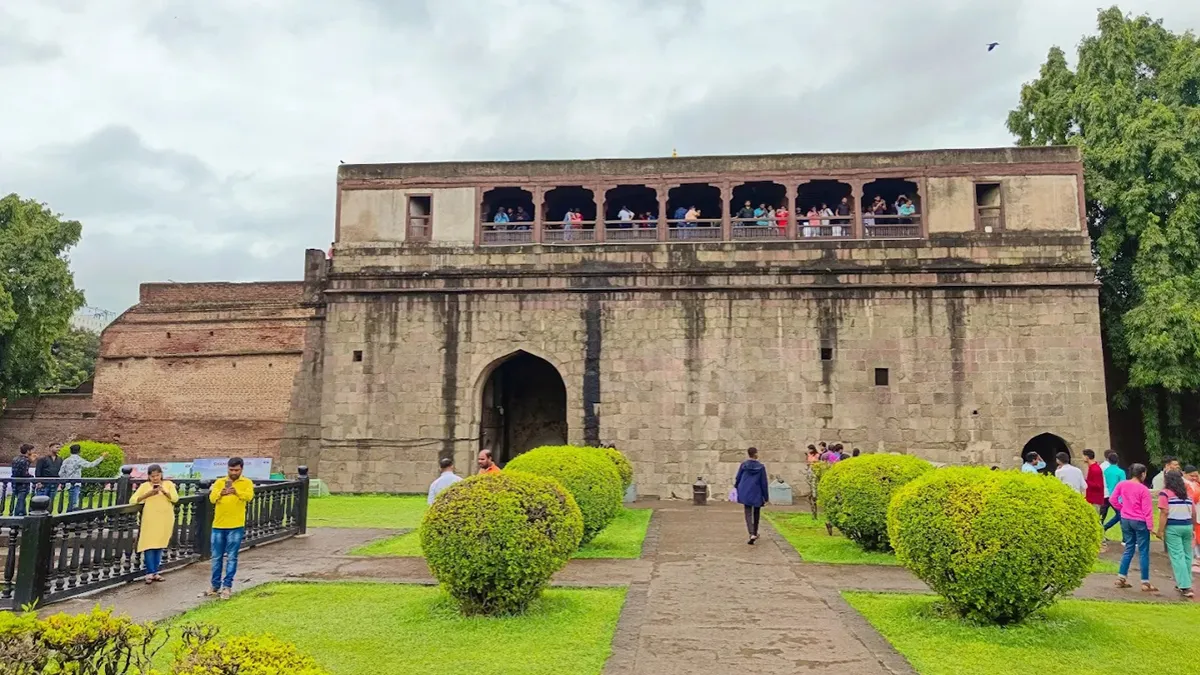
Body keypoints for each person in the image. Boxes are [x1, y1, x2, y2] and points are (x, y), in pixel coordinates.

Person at [206, 457, 255, 600]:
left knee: (232, 557)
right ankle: (215, 585)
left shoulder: (246, 482)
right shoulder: (219, 482)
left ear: (241, 469)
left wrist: (236, 492)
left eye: (236, 470)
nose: (233, 473)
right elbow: (212, 499)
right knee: (216, 557)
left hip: (236, 525)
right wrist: (220, 493)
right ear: (227, 468)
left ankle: (227, 586)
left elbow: (249, 497)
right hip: (218, 525)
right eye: (231, 470)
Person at [1110, 463, 1157, 592]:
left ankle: (1121, 577)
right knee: (1143, 551)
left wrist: (1122, 508)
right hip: (1140, 521)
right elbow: (1147, 510)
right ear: (1142, 474)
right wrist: (1150, 526)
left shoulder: (1122, 484)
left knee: (1129, 548)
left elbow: (1113, 499)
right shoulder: (1143, 489)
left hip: (1126, 519)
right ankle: (1145, 582)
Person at [130, 464, 179, 584]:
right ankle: (150, 572)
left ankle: (155, 571)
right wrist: (148, 494)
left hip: (165, 518)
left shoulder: (168, 484)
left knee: (159, 545)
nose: (155, 478)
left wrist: (164, 491)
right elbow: (133, 500)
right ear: (149, 476)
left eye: (157, 475)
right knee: (149, 545)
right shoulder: (145, 486)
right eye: (152, 476)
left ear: (161, 474)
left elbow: (175, 499)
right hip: (150, 519)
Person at [1155, 469, 1195, 598]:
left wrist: (1160, 530)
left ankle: (1185, 586)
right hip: (1187, 525)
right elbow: (1193, 512)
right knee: (1187, 555)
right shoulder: (1186, 494)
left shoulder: (1165, 493)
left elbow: (1164, 512)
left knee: (1177, 556)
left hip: (1173, 527)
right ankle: (1185, 581)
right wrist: (1193, 528)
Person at [734, 447, 769, 545]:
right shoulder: (761, 467)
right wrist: (766, 496)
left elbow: (738, 478)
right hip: (757, 491)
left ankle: (751, 533)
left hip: (746, 490)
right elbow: (764, 482)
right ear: (755, 454)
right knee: (756, 512)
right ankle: (754, 532)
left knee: (748, 512)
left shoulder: (744, 465)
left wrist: (737, 487)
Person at [59, 443, 108, 511]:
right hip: (75, 483)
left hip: (68, 483)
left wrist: (65, 480)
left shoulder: (66, 460)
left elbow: (61, 473)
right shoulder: (78, 460)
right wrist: (101, 457)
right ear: (79, 451)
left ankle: (68, 514)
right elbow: (90, 465)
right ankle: (70, 515)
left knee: (71, 502)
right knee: (73, 503)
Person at [1101, 452, 1126, 549]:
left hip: (1107, 495)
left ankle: (1103, 529)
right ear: (1118, 460)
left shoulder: (1106, 471)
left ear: (1108, 460)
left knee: (1103, 515)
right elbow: (1123, 486)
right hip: (1117, 497)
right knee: (1121, 516)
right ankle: (1125, 538)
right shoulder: (1120, 472)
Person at [10, 444, 34, 517]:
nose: (33, 452)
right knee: (21, 500)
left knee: (20, 499)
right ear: (28, 451)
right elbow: (24, 473)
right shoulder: (26, 460)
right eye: (32, 450)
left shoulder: (15, 458)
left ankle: (23, 514)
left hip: (15, 481)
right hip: (23, 483)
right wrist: (31, 476)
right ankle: (19, 516)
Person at [1083, 449, 1105, 514]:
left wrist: (1085, 481)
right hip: (1091, 499)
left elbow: (1098, 485)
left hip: (1095, 500)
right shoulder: (1092, 467)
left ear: (1087, 457)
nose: (1082, 458)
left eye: (1083, 456)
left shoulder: (1095, 469)